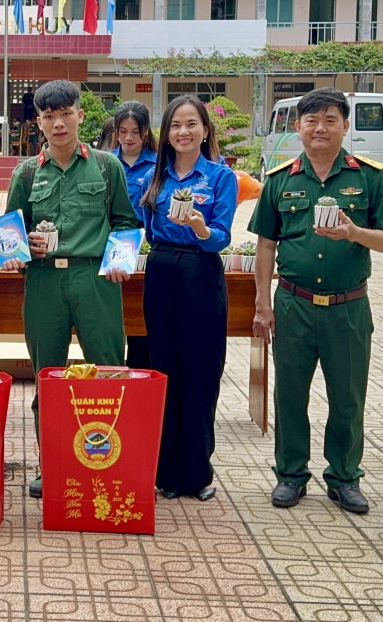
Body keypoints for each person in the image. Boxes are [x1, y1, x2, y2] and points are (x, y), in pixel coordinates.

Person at [250, 87, 383, 515]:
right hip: (294, 304)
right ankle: (291, 475)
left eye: (330, 120)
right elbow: (265, 246)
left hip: (348, 307)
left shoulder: (368, 178)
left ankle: (344, 477)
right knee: (289, 395)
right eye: (311, 120)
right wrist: (263, 304)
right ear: (298, 126)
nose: (320, 128)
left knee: (348, 397)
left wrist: (354, 232)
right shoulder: (281, 180)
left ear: (345, 126)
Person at [4, 80, 140, 499]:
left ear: (81, 115)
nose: (57, 123)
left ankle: (114, 462)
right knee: (47, 375)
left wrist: (119, 261)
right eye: (48, 116)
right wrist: (18, 249)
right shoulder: (26, 173)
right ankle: (53, 465)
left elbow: (124, 222)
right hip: (45, 282)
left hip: (94, 280)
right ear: (38, 122)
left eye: (65, 113)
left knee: (109, 370)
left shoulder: (105, 166)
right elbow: (10, 230)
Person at [138, 96, 236, 501]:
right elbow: (145, 228)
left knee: (200, 371)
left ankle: (197, 473)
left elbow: (223, 236)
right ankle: (166, 473)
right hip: (161, 269)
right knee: (164, 367)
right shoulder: (154, 178)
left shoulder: (219, 177)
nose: (183, 132)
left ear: (205, 130)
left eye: (192, 124)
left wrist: (199, 227)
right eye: (176, 125)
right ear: (166, 133)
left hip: (201, 269)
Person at [111, 101, 157, 369]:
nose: (129, 138)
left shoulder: (159, 162)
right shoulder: (105, 161)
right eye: (123, 131)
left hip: (146, 246)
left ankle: (140, 371)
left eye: (135, 132)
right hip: (112, 246)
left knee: (140, 318)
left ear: (146, 131)